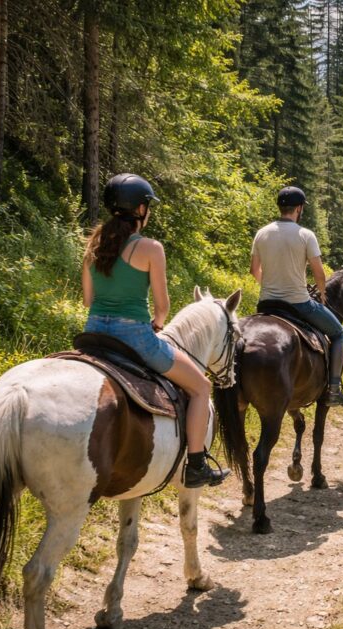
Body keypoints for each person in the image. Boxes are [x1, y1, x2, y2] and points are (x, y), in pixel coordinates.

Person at [82, 173, 229, 488]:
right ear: (139, 209)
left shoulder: (94, 242)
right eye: (148, 205)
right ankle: (196, 464)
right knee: (202, 387)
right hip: (135, 337)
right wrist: (158, 323)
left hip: (93, 331)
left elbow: (87, 299)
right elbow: (162, 306)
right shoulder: (150, 248)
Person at [250, 186, 343, 406]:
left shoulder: (262, 233)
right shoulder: (305, 235)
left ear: (280, 207)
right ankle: (334, 389)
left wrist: (269, 284)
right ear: (298, 209)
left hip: (266, 303)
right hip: (298, 303)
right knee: (339, 334)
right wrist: (322, 293)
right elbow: (319, 273)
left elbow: (254, 270)